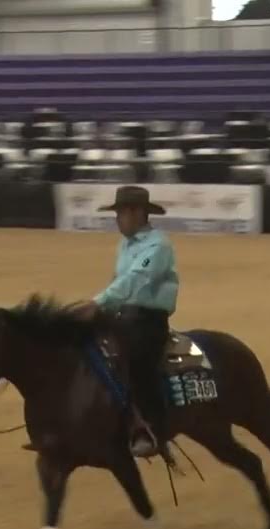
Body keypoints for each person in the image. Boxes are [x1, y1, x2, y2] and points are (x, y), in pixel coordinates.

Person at [76, 186, 179, 459]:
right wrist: (99, 309)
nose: (117, 219)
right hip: (123, 314)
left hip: (149, 320)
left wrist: (97, 303)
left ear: (138, 213)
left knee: (136, 360)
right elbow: (118, 282)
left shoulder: (158, 245)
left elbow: (135, 279)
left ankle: (151, 428)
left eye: (121, 213)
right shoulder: (125, 245)